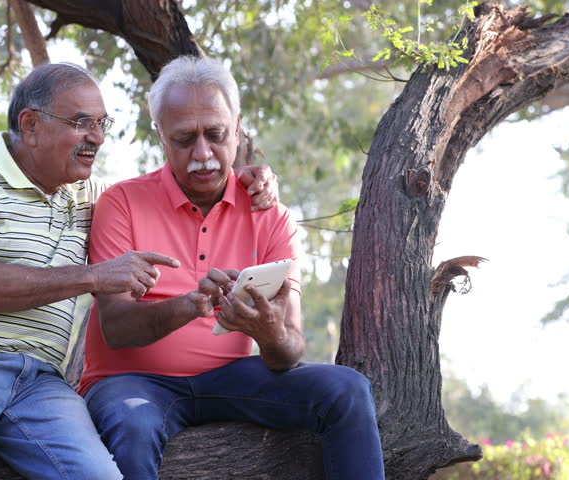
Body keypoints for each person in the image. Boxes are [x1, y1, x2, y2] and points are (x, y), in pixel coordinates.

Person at [0, 62, 278, 480]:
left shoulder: (92, 196)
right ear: (30, 124)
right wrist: (96, 276)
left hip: (37, 384)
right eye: (82, 124)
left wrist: (237, 179)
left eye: (102, 124)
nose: (97, 138)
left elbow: (163, 191)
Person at [80, 55, 386, 479]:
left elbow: (289, 351)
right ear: (161, 137)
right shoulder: (122, 203)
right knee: (132, 424)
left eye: (216, 135)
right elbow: (116, 329)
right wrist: (192, 304)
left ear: (237, 128)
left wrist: (269, 332)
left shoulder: (271, 215)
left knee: (347, 390)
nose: (202, 154)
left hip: (231, 379)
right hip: (132, 382)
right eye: (184, 139)